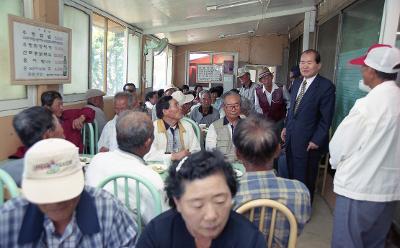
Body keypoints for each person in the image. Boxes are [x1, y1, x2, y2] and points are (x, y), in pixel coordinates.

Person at [0, 138, 137, 247]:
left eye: (65, 190)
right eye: (45, 193)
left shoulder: (108, 210)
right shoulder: (8, 219)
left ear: (83, 180)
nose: (56, 201)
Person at [329, 44, 400, 248]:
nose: (362, 71)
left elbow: (338, 147)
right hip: (389, 191)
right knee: (375, 243)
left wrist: (337, 164)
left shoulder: (368, 105)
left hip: (359, 190)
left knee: (347, 243)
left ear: (372, 71)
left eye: (364, 67)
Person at [137, 150, 266, 247]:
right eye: (197, 204)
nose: (211, 215)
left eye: (220, 201)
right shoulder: (156, 235)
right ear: (178, 202)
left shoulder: (249, 240)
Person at [233, 115, 311, 247]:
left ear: (237, 154)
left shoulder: (227, 195)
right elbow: (299, 227)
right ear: (277, 150)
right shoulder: (300, 191)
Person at [86, 111, 168, 224]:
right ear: (148, 142)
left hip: (94, 227)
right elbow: (159, 221)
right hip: (130, 236)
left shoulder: (97, 160)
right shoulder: (150, 179)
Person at [281, 49, 335, 203]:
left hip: (309, 142)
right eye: (302, 62)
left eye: (309, 62)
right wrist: (286, 127)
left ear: (318, 65)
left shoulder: (326, 87)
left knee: (306, 177)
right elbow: (293, 109)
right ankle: (293, 204)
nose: (304, 66)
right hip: (292, 136)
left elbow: (326, 118)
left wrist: (317, 140)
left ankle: (304, 208)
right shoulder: (297, 82)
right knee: (292, 172)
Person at [2, 107, 64, 186]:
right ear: (48, 134)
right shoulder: (63, 171)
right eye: (59, 123)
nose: (63, 129)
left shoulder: (5, 171)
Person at [144, 96, 200, 164]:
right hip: (161, 169)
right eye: (176, 105)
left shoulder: (187, 126)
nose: (180, 107)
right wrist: (173, 156)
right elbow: (148, 155)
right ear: (165, 111)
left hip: (184, 167)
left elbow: (196, 150)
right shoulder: (153, 128)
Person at [205, 91, 241, 162]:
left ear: (240, 107)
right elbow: (210, 152)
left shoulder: (248, 126)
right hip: (222, 166)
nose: (233, 109)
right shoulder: (214, 127)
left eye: (236, 105)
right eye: (230, 106)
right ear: (224, 107)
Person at [254, 67, 289, 132]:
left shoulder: (281, 88)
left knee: (279, 141)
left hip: (280, 122)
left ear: (272, 77)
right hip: (266, 123)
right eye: (263, 78)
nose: (266, 79)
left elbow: (289, 104)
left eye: (268, 76)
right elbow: (257, 107)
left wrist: (286, 118)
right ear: (260, 81)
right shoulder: (257, 91)